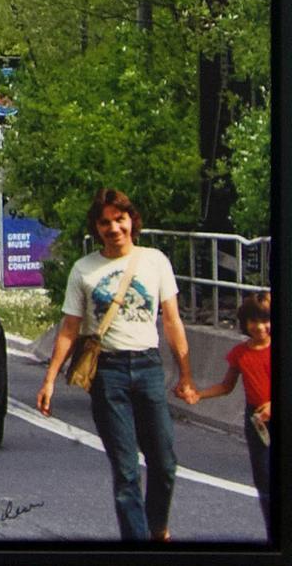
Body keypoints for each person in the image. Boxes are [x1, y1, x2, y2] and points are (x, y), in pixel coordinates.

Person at [37, 188, 196, 542]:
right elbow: (69, 329)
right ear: (97, 227)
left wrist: (185, 374)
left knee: (165, 464)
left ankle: (157, 529)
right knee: (126, 472)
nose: (114, 228)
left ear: (131, 221)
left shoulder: (155, 261)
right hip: (108, 374)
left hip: (149, 367)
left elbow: (171, 321)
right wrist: (49, 380)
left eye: (120, 220)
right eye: (105, 222)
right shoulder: (85, 270)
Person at [191, 293, 271, 529]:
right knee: (264, 480)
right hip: (256, 419)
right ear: (245, 323)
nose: (260, 327)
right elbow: (226, 387)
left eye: (265, 320)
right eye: (253, 321)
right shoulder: (240, 353)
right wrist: (199, 394)